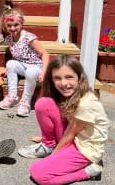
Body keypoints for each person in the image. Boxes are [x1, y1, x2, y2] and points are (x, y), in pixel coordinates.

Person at [18, 55, 109, 184]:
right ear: (51, 79)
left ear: (79, 77)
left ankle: (89, 171)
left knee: (38, 173)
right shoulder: (71, 95)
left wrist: (53, 157)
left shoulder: (86, 104)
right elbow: (69, 129)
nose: (64, 83)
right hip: (76, 138)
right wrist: (45, 139)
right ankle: (48, 144)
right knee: (43, 103)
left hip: (85, 149)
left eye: (69, 77)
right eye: (57, 78)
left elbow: (69, 135)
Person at [0, 8, 49, 117]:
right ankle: (12, 97)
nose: (13, 28)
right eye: (9, 26)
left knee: (30, 72)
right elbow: (16, 57)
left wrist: (44, 72)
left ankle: (25, 102)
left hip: (36, 67)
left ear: (21, 24)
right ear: (5, 27)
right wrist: (8, 70)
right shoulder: (9, 39)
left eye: (16, 25)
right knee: (10, 63)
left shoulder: (28, 37)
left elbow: (45, 54)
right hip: (23, 66)